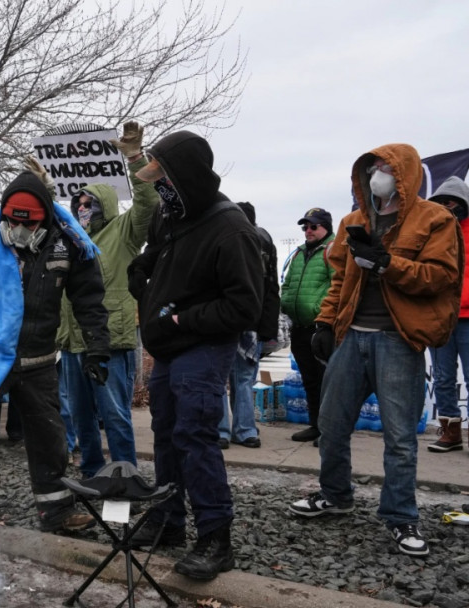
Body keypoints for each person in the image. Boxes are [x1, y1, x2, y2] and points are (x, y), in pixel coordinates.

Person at [288, 144, 462, 558]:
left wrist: (387, 264)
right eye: (372, 168)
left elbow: (440, 277)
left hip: (397, 339)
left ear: (404, 174)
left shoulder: (434, 219)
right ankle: (335, 494)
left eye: (384, 168)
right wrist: (326, 324)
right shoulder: (353, 222)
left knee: (400, 436)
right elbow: (339, 281)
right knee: (331, 424)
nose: (377, 175)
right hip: (352, 337)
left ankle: (401, 516)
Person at [0, 165, 110, 534]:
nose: (20, 231)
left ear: (44, 220)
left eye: (29, 224)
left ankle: (56, 512)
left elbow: (89, 299)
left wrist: (97, 346)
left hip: (39, 359)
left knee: (49, 434)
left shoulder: (69, 243)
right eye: (14, 221)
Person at [126, 130, 263, 580]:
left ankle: (215, 537)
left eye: (162, 177)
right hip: (166, 347)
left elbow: (244, 306)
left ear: (184, 176)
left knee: (194, 433)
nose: (157, 186)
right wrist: (143, 266)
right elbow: (157, 251)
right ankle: (168, 520)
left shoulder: (231, 230)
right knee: (165, 432)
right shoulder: (169, 214)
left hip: (202, 348)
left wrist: (184, 320)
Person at [56, 120, 158, 476]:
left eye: (89, 201)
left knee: (114, 414)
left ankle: (124, 476)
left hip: (112, 341)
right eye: (78, 202)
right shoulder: (70, 238)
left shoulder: (124, 232)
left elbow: (148, 203)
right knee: (81, 416)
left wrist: (134, 158)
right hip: (73, 343)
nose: (83, 206)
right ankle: (92, 475)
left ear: (105, 203)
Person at [218, 201, 280, 449]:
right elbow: (271, 288)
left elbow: (271, 289)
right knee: (241, 378)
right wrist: (268, 328)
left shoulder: (224, 238)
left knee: (225, 378)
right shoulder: (264, 242)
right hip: (246, 323)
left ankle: (223, 431)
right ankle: (243, 431)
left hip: (230, 322)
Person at [280, 207, 336, 443]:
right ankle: (315, 425)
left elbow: (339, 285)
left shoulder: (333, 250)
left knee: (327, 381)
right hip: (299, 327)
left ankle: (330, 431)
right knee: (310, 380)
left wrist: (321, 314)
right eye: (305, 227)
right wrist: (285, 305)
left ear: (326, 227)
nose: (308, 231)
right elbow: (288, 284)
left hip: (321, 328)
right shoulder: (299, 252)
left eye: (314, 226)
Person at [427, 176, 469, 453]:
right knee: (442, 377)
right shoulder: (431, 234)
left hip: (467, 317)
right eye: (440, 202)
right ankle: (451, 432)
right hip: (440, 317)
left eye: (450, 202)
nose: (445, 207)